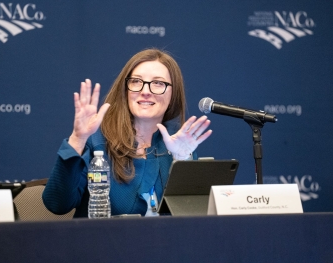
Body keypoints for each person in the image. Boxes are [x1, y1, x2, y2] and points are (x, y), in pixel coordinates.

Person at [42, 48, 212, 217]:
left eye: (158, 83)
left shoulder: (178, 145)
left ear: (173, 93)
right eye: (137, 81)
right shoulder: (96, 141)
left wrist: (183, 161)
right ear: (125, 89)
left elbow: (191, 218)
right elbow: (57, 204)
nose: (145, 91)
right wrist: (78, 139)